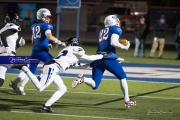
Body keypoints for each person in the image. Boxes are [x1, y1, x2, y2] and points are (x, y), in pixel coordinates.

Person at [12, 37, 105, 112]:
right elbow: (87, 57)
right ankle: (24, 68)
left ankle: (46, 105)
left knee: (62, 89)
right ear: (75, 43)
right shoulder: (74, 48)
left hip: (54, 68)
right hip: (53, 68)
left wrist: (92, 64)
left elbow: (80, 65)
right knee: (40, 88)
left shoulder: (68, 53)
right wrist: (101, 56)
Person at [72, 15, 136, 108]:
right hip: (107, 58)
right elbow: (113, 43)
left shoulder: (102, 30)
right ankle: (127, 100)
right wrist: (124, 47)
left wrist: (116, 57)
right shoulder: (115, 28)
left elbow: (106, 44)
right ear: (114, 21)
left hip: (98, 58)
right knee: (122, 77)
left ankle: (83, 79)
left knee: (95, 84)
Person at [9, 8, 65, 95]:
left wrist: (46, 45)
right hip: (42, 52)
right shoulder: (46, 26)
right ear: (42, 16)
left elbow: (33, 41)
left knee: (31, 71)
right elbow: (50, 37)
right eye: (47, 17)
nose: (49, 19)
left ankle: (19, 85)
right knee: (56, 64)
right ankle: (41, 77)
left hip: (35, 50)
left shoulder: (34, 25)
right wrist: (60, 42)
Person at [0, 12, 25, 87]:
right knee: (25, 67)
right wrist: (7, 47)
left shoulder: (3, 28)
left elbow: (10, 47)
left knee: (1, 79)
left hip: (2, 56)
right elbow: (3, 36)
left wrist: (18, 45)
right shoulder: (13, 27)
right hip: (7, 56)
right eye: (17, 20)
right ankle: (18, 86)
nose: (18, 22)